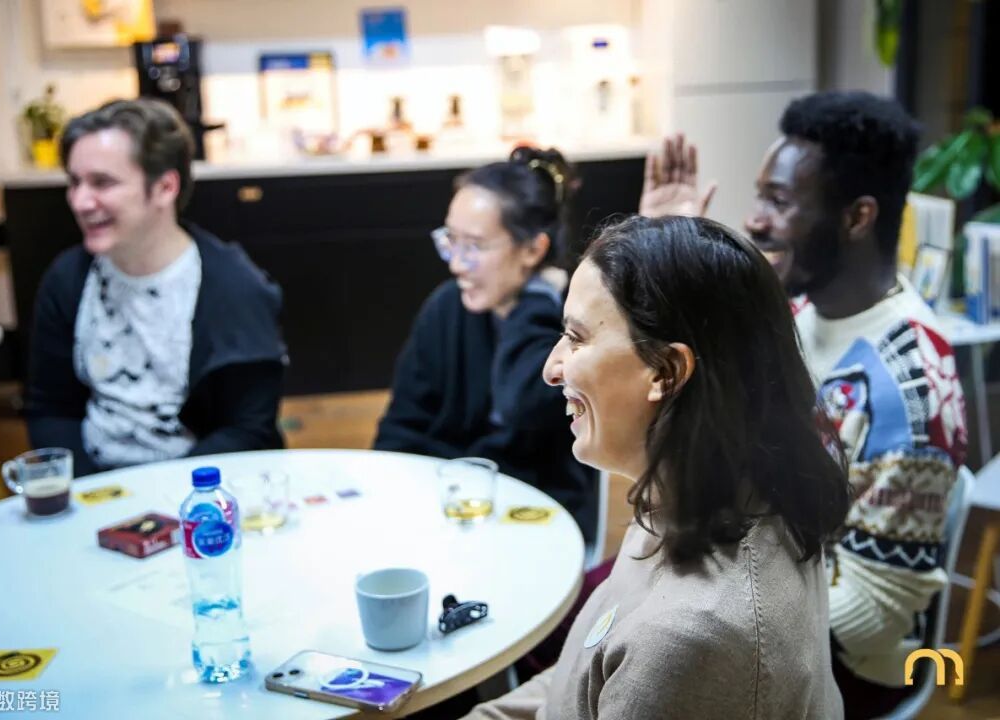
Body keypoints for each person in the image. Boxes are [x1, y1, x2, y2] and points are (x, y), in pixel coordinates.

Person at [641, 91, 968, 718]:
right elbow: (683, 400)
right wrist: (664, 253)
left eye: (779, 200)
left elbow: (872, 617)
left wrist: (707, 613)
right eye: (759, 195)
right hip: (744, 577)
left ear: (857, 217)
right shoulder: (791, 309)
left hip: (836, 664)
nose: (754, 218)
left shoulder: (910, 384)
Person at [464, 215, 850, 720]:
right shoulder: (706, 498)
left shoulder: (690, 636)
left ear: (666, 372)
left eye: (576, 338)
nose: (552, 368)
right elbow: (580, 676)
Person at [26, 99, 288, 476]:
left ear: (165, 187)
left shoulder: (235, 288)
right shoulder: (68, 279)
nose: (80, 202)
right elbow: (50, 409)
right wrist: (91, 493)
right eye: (74, 182)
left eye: (102, 183)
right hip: (94, 484)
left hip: (201, 485)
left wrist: (161, 495)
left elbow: (247, 429)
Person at [374, 147, 598, 542]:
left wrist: (534, 302)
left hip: (536, 522)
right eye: (450, 240)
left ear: (533, 249)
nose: (456, 263)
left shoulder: (571, 327)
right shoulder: (446, 308)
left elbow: (522, 409)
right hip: (447, 509)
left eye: (474, 246)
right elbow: (398, 432)